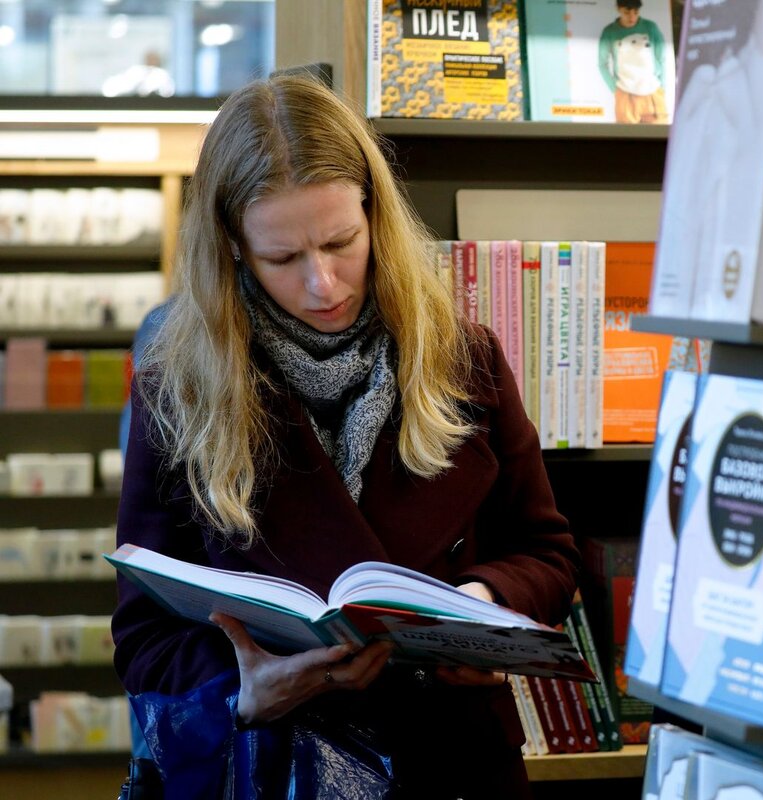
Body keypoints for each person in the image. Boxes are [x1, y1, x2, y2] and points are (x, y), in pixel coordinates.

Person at [111, 74, 579, 799]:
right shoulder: (180, 390)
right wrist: (241, 687)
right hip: (279, 768)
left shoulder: (465, 358)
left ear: (376, 216)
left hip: (454, 764)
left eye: (341, 242)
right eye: (284, 258)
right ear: (232, 245)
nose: (324, 284)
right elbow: (143, 637)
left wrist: (485, 604)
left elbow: (547, 553)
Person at [598, 0, 669, 124]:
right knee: (627, 140)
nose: (632, 17)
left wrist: (662, 86)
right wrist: (616, 90)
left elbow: (662, 57)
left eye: (636, 12)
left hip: (653, 92)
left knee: (659, 138)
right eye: (627, 12)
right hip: (625, 94)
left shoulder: (650, 27)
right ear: (618, 9)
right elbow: (602, 63)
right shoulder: (609, 32)